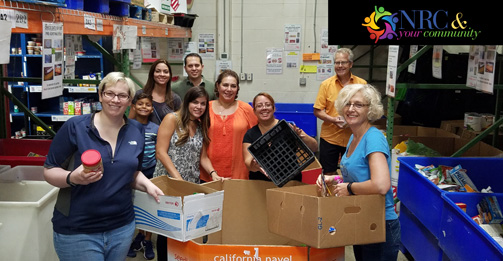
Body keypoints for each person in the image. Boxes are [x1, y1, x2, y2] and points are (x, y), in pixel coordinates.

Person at [43, 72, 164, 261]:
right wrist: (72, 178)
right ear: (100, 95)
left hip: (121, 228)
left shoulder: (136, 131)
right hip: (78, 230)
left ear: (129, 100)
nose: (115, 100)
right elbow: (49, 170)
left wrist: (148, 185)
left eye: (122, 96)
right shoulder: (76, 127)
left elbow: (132, 172)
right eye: (109, 94)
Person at [316, 84, 400, 261]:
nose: (351, 109)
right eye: (347, 104)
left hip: (380, 223)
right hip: (362, 219)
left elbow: (381, 185)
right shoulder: (354, 137)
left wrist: (349, 188)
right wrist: (335, 178)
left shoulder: (373, 138)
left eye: (358, 105)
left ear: (370, 109)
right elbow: (360, 175)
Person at [153, 86, 225, 261]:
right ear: (187, 102)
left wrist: (213, 173)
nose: (199, 107)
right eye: (195, 102)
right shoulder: (172, 118)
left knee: (187, 229)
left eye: (202, 104)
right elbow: (160, 152)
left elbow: (203, 157)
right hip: (170, 184)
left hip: (191, 185)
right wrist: (177, 179)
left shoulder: (200, 125)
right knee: (167, 229)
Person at [313, 48, 367, 175]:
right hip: (330, 138)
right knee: (328, 173)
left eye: (343, 62)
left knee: (353, 173)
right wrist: (332, 120)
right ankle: (330, 195)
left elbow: (367, 109)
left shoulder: (361, 84)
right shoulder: (326, 85)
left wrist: (354, 121)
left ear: (351, 64)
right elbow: (317, 110)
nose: (340, 66)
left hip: (354, 137)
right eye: (337, 63)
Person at [243, 92, 318, 181]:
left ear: (274, 108)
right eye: (259, 106)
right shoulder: (250, 134)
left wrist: (300, 135)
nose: (264, 108)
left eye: (268, 105)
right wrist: (254, 166)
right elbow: (248, 162)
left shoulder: (287, 127)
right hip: (261, 183)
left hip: (290, 180)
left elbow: (314, 147)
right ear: (254, 111)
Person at [201, 69, 258, 181]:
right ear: (218, 86)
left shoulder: (246, 109)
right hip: (208, 174)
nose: (229, 89)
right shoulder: (205, 108)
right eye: (225, 85)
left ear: (237, 89)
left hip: (239, 175)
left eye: (233, 86)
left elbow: (259, 133)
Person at [127, 92, 158, 260]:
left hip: (150, 172)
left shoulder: (155, 128)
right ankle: (138, 236)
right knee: (135, 206)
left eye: (147, 104)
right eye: (140, 104)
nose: (144, 107)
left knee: (149, 206)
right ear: (133, 106)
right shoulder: (127, 126)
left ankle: (147, 239)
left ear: (152, 108)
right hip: (131, 174)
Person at [128, 59, 182, 125]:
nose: (162, 74)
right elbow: (130, 121)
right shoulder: (140, 94)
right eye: (158, 71)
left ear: (170, 75)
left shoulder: (175, 99)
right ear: (152, 74)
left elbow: (179, 124)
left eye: (165, 72)